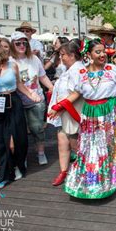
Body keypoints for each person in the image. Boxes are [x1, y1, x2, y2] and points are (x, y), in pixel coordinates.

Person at [48, 39, 116, 199]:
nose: (102, 55)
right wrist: (58, 106)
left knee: (107, 148)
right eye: (97, 52)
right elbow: (76, 94)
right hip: (90, 116)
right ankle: (90, 183)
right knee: (90, 149)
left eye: (103, 51)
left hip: (109, 114)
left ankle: (106, 182)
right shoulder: (82, 74)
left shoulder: (112, 70)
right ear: (89, 55)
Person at [0, 40, 40, 189]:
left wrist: (31, 94)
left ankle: (17, 165)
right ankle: (1, 173)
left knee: (15, 141)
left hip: (13, 102)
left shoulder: (13, 66)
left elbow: (19, 84)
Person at [9, 31, 53, 165]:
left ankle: (40, 152)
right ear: (12, 45)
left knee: (37, 128)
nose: (22, 45)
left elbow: (42, 76)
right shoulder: (10, 61)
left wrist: (52, 88)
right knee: (20, 132)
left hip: (36, 100)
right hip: (18, 101)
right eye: (18, 43)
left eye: (24, 43)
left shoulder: (34, 59)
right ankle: (23, 157)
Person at [47, 40, 85, 186]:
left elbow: (78, 92)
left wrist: (59, 107)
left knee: (75, 144)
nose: (61, 57)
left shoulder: (77, 70)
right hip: (65, 112)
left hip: (72, 112)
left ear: (72, 55)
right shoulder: (69, 70)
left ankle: (83, 171)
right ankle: (64, 171)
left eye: (63, 55)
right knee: (62, 142)